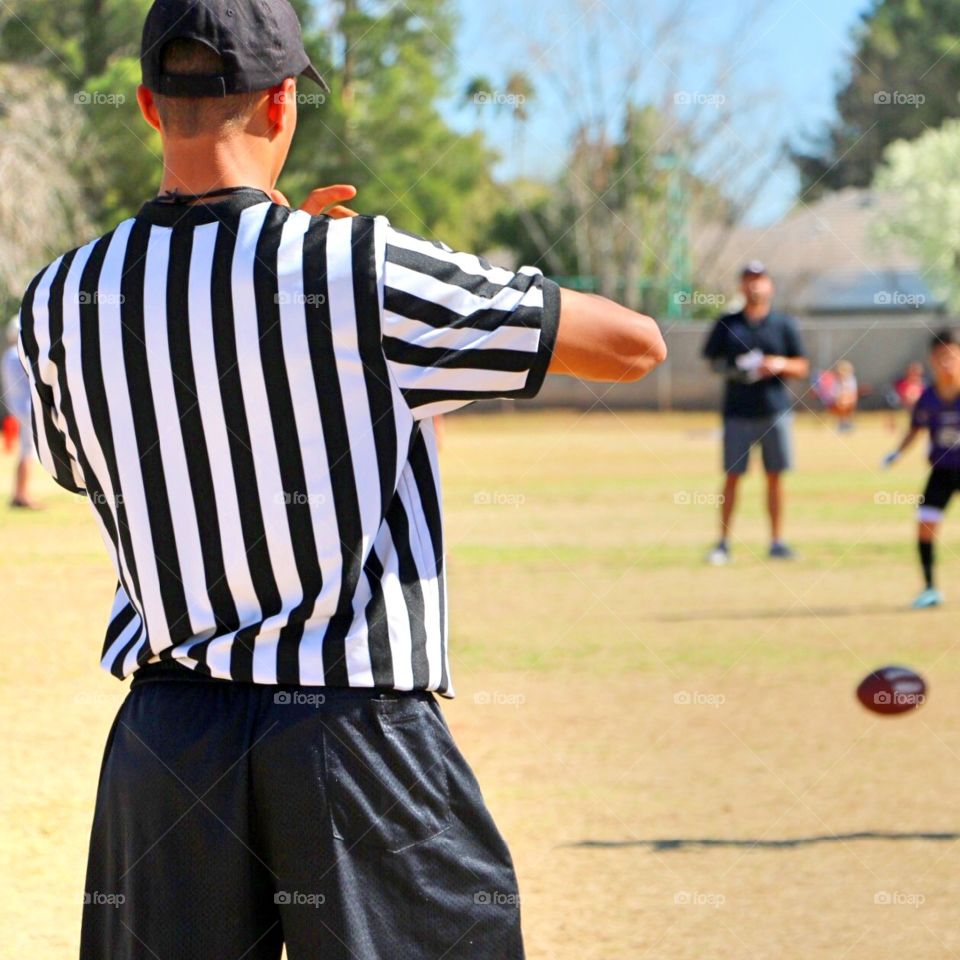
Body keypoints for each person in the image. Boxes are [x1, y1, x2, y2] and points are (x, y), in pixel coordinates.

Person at [16, 3, 667, 959]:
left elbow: (85, 469)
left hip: (167, 742)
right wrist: (392, 285)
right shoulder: (360, 267)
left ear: (149, 106)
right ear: (283, 101)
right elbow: (632, 346)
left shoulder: (58, 300)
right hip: (351, 728)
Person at [702, 262, 810, 565]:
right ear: (741, 286)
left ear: (769, 285)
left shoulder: (783, 324)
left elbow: (802, 365)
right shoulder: (728, 323)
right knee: (733, 476)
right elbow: (711, 361)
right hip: (737, 412)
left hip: (774, 411)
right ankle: (723, 543)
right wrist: (737, 370)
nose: (754, 285)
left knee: (775, 477)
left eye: (759, 280)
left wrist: (779, 364)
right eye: (749, 280)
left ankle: (777, 541)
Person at [884, 330, 960, 609]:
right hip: (942, 471)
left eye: (951, 356)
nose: (946, 363)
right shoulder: (928, 397)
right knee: (925, 523)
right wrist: (897, 453)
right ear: (931, 360)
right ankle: (930, 589)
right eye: (940, 357)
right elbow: (915, 428)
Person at [1, 317, 39, 507]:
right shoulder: (18, 355)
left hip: (17, 408)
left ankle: (20, 493)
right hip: (27, 408)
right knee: (27, 451)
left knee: (25, 451)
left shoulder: (8, 355)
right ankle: (21, 496)